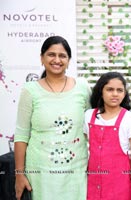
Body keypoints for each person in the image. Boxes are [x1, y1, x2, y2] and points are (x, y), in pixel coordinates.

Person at [14, 36, 91, 200]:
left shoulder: (83, 88)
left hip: (76, 171)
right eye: (51, 55)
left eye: (62, 56)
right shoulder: (30, 90)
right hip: (40, 174)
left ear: (69, 60)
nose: (57, 60)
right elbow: (21, 135)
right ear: (42, 58)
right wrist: (19, 174)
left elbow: (92, 128)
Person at [84, 71, 131, 200]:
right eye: (110, 89)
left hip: (120, 187)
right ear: (101, 91)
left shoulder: (129, 119)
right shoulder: (89, 116)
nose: (115, 94)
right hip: (93, 186)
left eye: (120, 90)